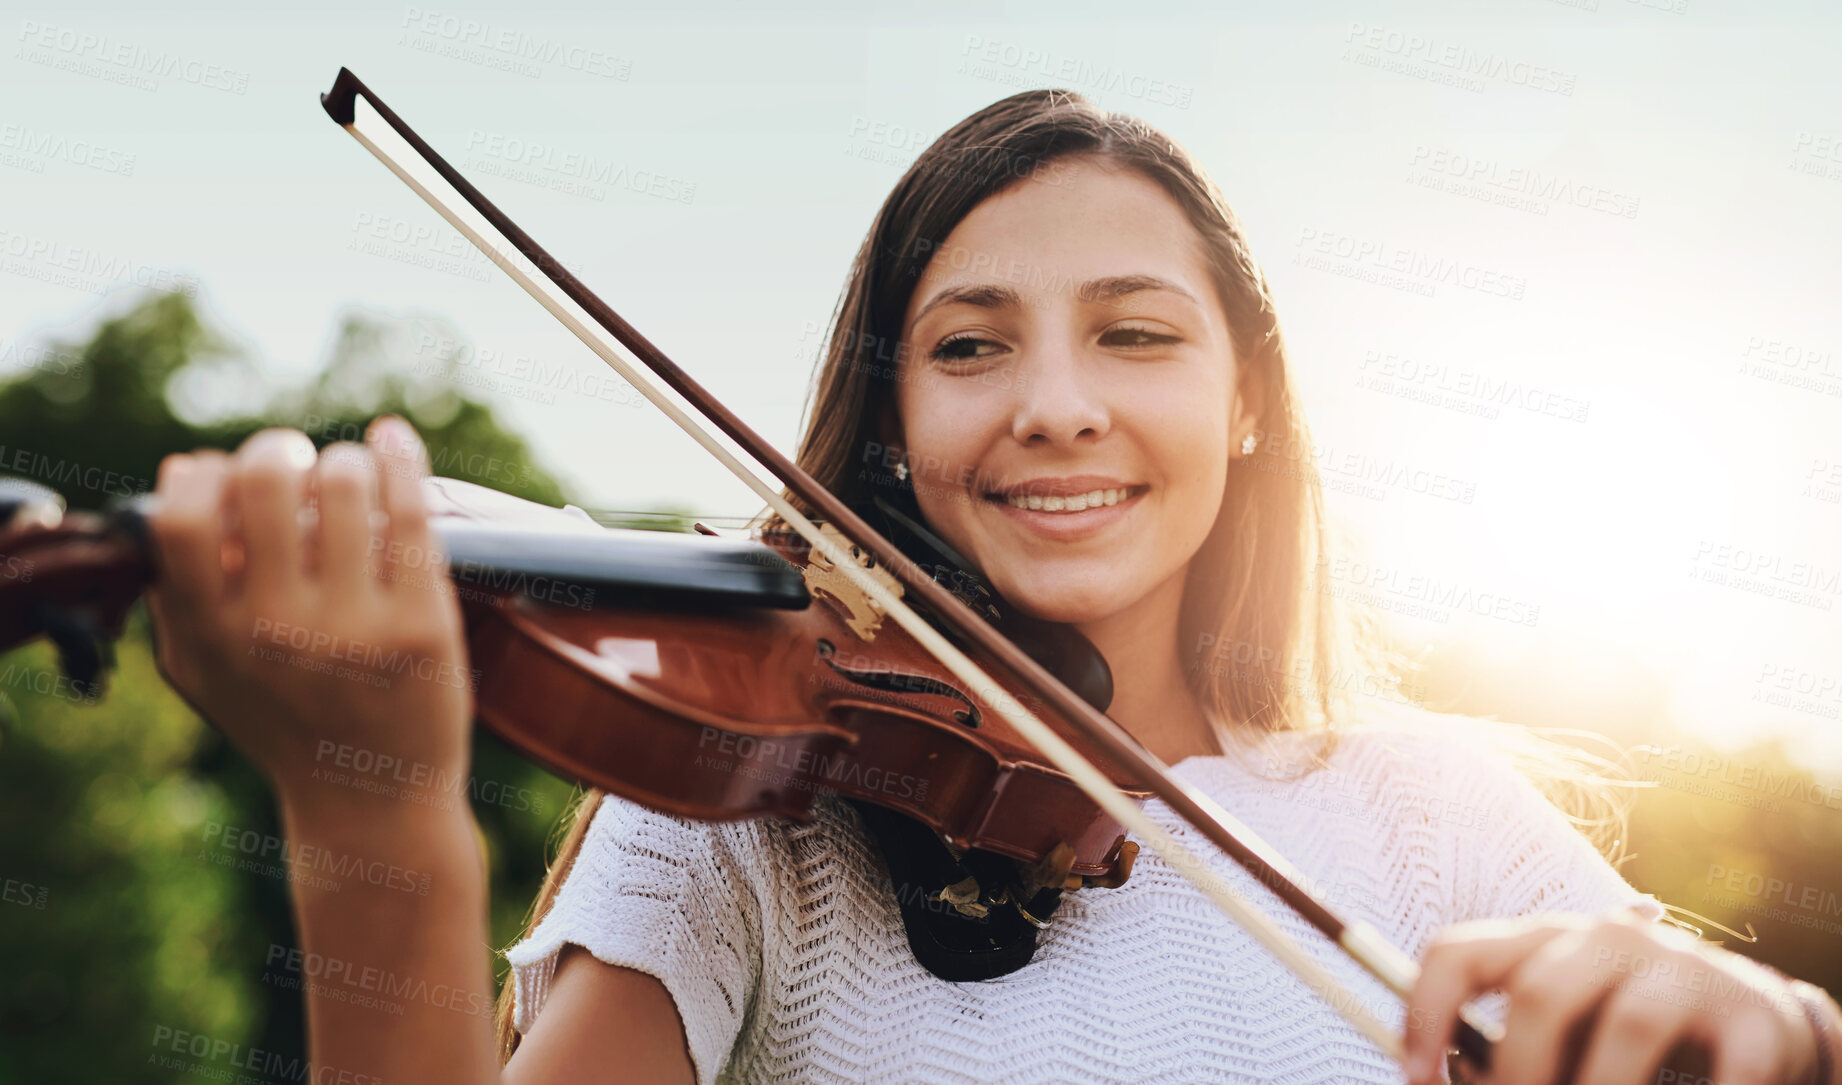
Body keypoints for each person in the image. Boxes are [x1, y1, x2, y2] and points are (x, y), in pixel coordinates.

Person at [144, 89, 1839, 1085]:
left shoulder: (1432, 817)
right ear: (887, 421)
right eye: (967, 346)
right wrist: (372, 818)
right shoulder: (745, 816)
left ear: (1246, 400)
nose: (1052, 402)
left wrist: (1777, 1030)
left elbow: (1696, 1043)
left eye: (1134, 332)